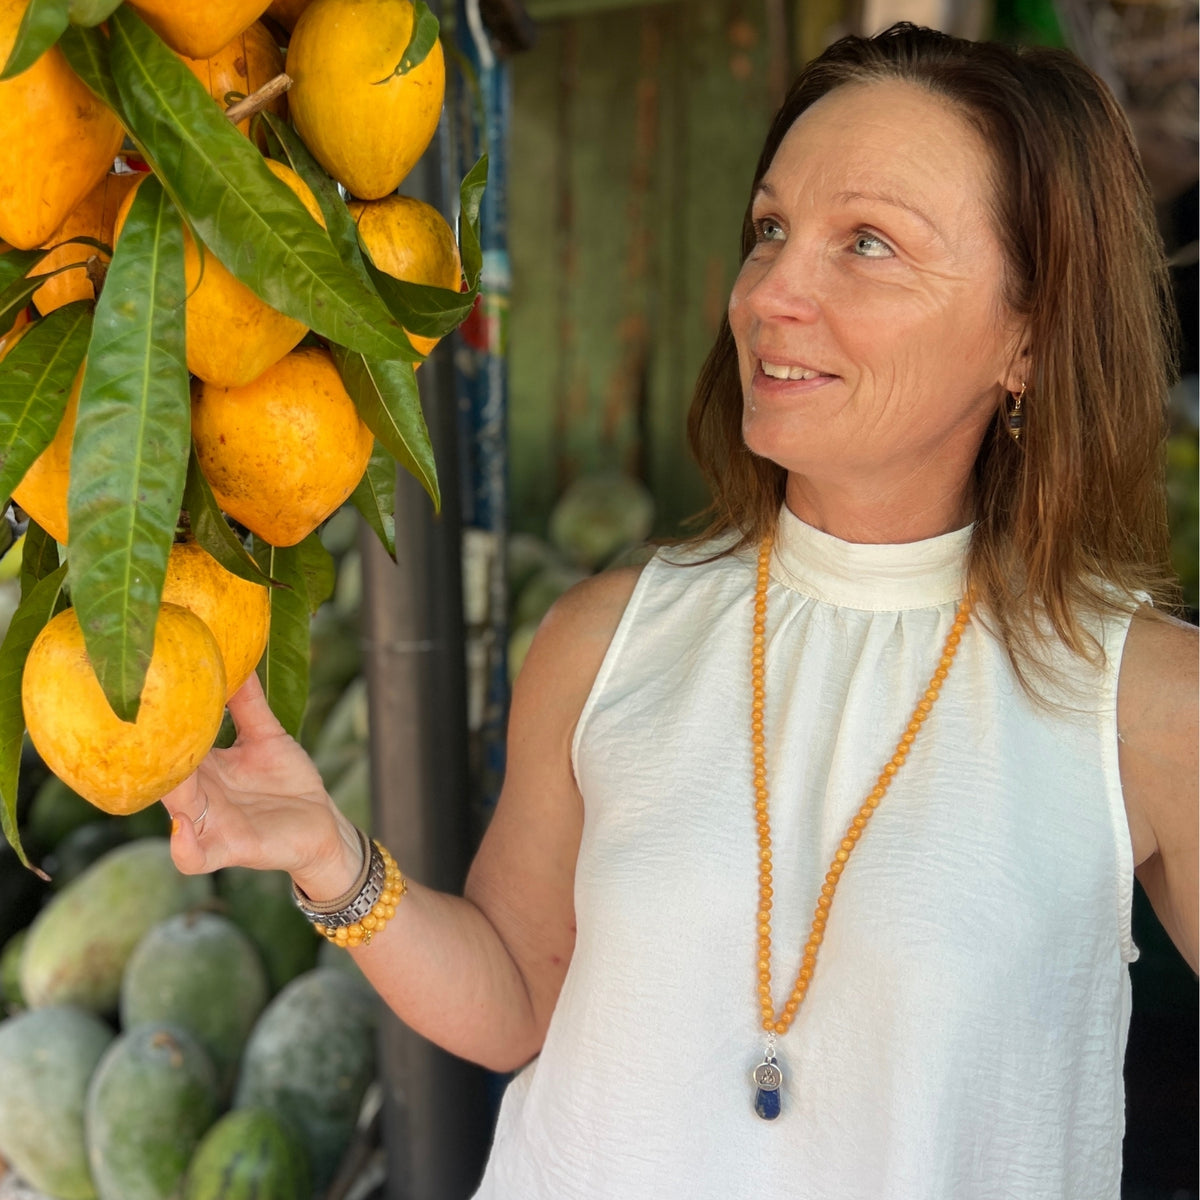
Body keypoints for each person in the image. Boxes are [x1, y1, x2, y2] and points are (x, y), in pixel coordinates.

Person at [163, 23, 1198, 1199]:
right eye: (770, 230)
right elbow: (517, 997)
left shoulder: (1141, 706)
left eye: (867, 243)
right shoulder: (607, 639)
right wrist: (328, 856)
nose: (769, 294)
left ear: (1028, 335)